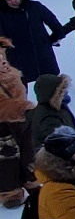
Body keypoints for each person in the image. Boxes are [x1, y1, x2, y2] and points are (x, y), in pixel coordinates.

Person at [0, 0, 62, 83]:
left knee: (51, 82)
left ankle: (59, 97)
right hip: (17, 56)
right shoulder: (2, 13)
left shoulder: (34, 7)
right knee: (19, 84)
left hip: (41, 52)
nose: (13, 1)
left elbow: (54, 24)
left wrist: (51, 40)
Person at [0, 40, 36, 208]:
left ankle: (30, 180)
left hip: (20, 121)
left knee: (27, 150)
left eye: (3, 59)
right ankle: (10, 191)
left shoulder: (10, 73)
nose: (3, 63)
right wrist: (22, 109)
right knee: (8, 158)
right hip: (3, 126)